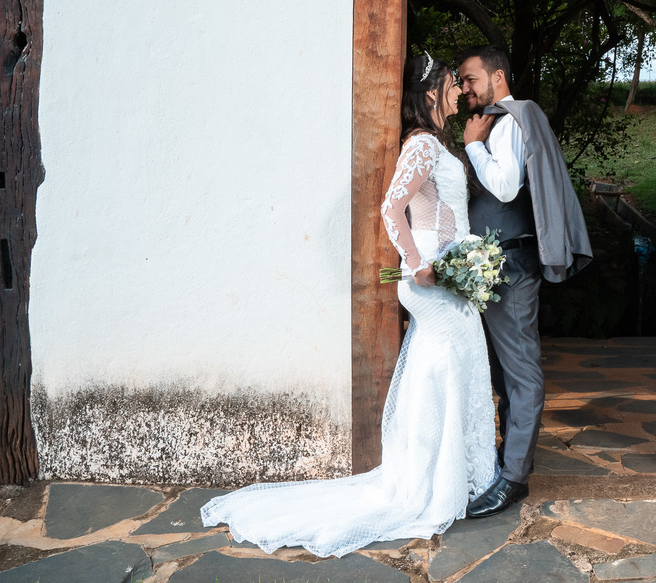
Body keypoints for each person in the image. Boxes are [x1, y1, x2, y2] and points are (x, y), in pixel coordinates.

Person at [200, 53, 498, 557]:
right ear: (431, 94)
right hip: (433, 276)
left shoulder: (434, 143)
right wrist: (417, 261)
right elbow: (391, 205)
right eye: (451, 84)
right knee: (448, 363)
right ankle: (436, 483)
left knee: (441, 366)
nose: (458, 92)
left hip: (451, 275)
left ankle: (443, 475)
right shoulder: (424, 144)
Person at [457, 45, 592, 518]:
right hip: (491, 269)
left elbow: (507, 186)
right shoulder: (497, 121)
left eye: (471, 79)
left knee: (521, 373)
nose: (465, 89)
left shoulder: (512, 119)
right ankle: (506, 460)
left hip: (510, 268)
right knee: (499, 373)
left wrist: (474, 144)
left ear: (497, 76)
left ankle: (513, 478)